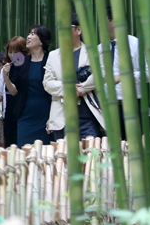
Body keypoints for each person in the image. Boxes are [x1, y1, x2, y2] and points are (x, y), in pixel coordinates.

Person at [43, 12, 105, 140]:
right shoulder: (53, 55)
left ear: (78, 30)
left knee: (91, 155)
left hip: (88, 116)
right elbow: (47, 83)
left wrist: (81, 89)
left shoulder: (93, 52)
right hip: (62, 118)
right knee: (63, 157)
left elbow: (101, 74)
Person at [98, 6, 149, 140]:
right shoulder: (100, 48)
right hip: (107, 106)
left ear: (113, 22)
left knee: (134, 147)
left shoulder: (133, 43)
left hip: (131, 105)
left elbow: (148, 74)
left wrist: (123, 77)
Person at [3, 26, 52, 147]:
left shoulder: (51, 59)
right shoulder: (21, 62)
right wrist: (5, 76)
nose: (28, 37)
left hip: (47, 114)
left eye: (33, 34)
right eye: (28, 33)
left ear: (41, 41)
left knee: (46, 154)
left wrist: (54, 117)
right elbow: (14, 91)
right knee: (24, 152)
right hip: (25, 114)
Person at [0, 36, 29, 147]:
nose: (12, 55)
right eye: (10, 52)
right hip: (9, 111)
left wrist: (6, 76)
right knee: (10, 145)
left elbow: (14, 91)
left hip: (22, 109)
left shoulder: (26, 66)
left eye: (16, 52)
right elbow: (2, 92)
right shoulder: (9, 67)